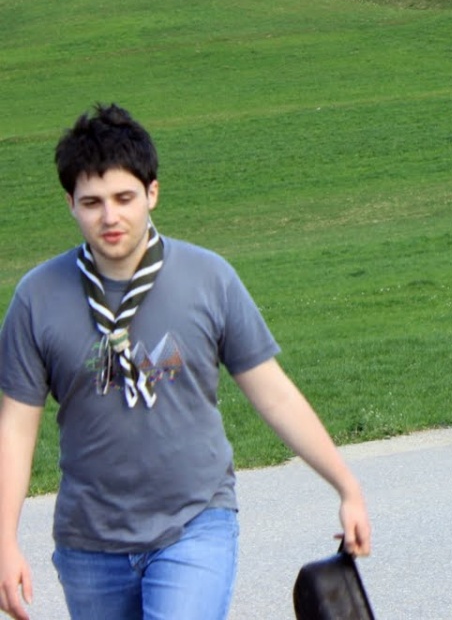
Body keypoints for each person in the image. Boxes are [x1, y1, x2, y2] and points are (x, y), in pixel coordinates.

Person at [0, 104, 371, 620]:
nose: (110, 217)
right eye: (92, 202)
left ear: (152, 193)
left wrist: (345, 485)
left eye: (124, 198)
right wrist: (5, 540)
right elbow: (16, 427)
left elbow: (274, 392)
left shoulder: (209, 279)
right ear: (70, 204)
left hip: (195, 522)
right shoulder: (36, 298)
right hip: (90, 543)